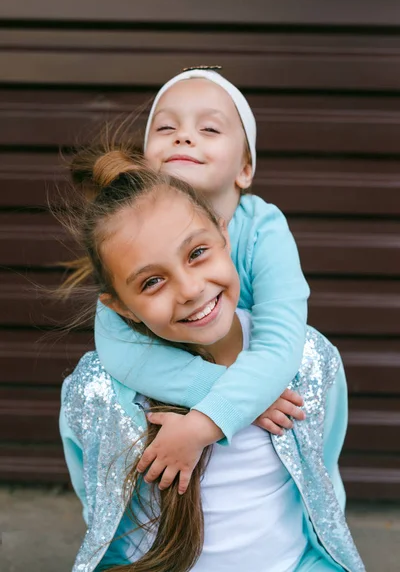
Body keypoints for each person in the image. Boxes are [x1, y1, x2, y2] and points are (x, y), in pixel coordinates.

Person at [59, 147, 364, 571]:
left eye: (197, 253)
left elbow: (321, 477)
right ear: (121, 308)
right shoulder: (98, 390)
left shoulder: (308, 360)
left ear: (223, 234)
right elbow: (100, 504)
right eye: (151, 281)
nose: (189, 289)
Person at [92, 69, 311, 493]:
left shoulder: (264, 228)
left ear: (245, 168)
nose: (184, 137)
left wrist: (204, 425)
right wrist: (238, 394)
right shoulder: (123, 237)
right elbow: (120, 348)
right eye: (166, 128)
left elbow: (282, 341)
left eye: (208, 128)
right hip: (184, 387)